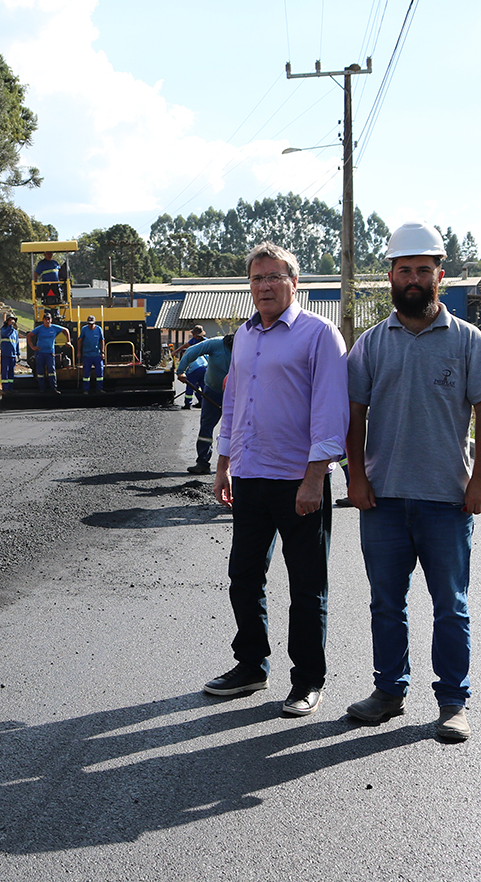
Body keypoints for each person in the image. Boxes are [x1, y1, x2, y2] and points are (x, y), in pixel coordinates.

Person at [344, 221, 481, 742]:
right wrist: (357, 478)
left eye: (423, 270)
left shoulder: (466, 340)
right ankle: (389, 692)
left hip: (446, 501)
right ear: (390, 274)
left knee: (450, 604)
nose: (413, 278)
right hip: (382, 500)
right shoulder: (369, 345)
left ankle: (453, 702)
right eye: (404, 269)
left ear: (439, 275)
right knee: (386, 602)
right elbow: (354, 415)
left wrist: (480, 480)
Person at [207, 242, 348, 718]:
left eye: (273, 277)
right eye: (256, 278)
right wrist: (223, 464)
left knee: (307, 585)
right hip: (249, 476)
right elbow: (232, 404)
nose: (263, 286)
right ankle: (251, 665)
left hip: (298, 483)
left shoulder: (319, 334)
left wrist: (314, 479)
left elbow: (331, 413)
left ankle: (308, 680)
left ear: (294, 282)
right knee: (244, 576)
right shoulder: (244, 336)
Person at [175, 329, 234, 475]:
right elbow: (190, 352)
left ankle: (239, 466)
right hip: (213, 392)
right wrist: (181, 371)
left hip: (237, 395)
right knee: (206, 427)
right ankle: (202, 462)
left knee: (241, 429)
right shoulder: (215, 343)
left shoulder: (247, 346)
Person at [27, 310, 69, 393]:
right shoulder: (39, 329)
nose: (47, 321)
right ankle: (42, 388)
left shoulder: (54, 328)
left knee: (51, 371)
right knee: (40, 371)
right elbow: (29, 335)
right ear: (43, 320)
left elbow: (66, 330)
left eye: (49, 319)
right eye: (46, 319)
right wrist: (32, 347)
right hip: (40, 353)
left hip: (50, 353)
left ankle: (53, 388)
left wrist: (68, 341)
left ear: (51, 320)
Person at [177, 325, 207, 408]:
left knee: (190, 387)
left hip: (196, 369)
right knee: (201, 387)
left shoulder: (187, 355)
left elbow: (186, 370)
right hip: (205, 368)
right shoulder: (196, 351)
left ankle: (187, 404)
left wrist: (183, 376)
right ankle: (203, 402)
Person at [77, 314, 105, 393]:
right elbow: (80, 340)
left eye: (92, 324)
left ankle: (99, 389)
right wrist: (79, 352)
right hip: (87, 355)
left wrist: (102, 352)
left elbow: (102, 341)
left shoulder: (99, 329)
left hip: (97, 354)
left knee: (99, 372)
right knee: (86, 373)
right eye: (89, 323)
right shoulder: (84, 329)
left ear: (95, 322)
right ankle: (86, 390)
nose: (90, 325)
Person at [0, 313, 20, 389]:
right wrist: (10, 327)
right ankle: (5, 388)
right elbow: (6, 334)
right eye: (10, 320)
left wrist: (18, 353)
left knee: (11, 371)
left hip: (13, 355)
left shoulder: (15, 332)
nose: (12, 321)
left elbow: (16, 343)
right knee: (5, 371)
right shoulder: (4, 329)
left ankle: (10, 387)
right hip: (5, 354)